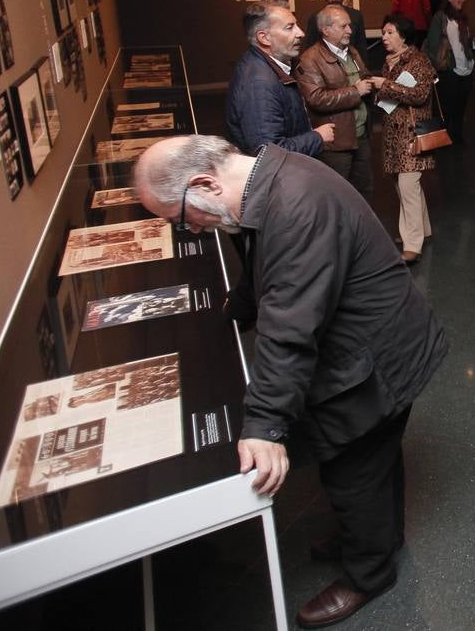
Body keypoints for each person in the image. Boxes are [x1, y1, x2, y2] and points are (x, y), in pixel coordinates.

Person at [132, 135, 448, 629]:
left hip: (378, 355)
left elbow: (290, 328)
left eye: (179, 219)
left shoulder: (294, 205)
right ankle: (374, 537)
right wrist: (237, 307)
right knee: (372, 460)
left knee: (354, 470)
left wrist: (263, 426)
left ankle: (370, 572)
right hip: (374, 342)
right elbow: (266, 272)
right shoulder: (263, 179)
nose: (190, 230)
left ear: (204, 183)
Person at [224, 0, 334, 156]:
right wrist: (317, 137)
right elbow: (267, 152)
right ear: (264, 38)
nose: (300, 33)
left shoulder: (268, 67)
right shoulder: (259, 84)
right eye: (290, 28)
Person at [295, 4, 378, 199]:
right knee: (338, 196)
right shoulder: (310, 59)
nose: (350, 30)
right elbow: (316, 99)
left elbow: (364, 76)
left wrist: (368, 82)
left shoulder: (352, 52)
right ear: (325, 29)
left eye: (350, 25)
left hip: (361, 135)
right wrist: (354, 91)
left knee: (364, 193)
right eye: (344, 26)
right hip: (336, 142)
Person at [376, 15, 439, 264]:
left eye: (389, 32)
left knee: (407, 185)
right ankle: (423, 229)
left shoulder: (418, 60)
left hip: (412, 132)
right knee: (404, 184)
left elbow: (421, 95)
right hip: (394, 131)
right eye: (383, 32)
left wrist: (386, 85)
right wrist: (379, 89)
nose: (384, 37)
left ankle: (413, 244)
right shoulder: (389, 61)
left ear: (403, 36)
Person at [424, 0, 475, 145]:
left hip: (466, 69)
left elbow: (465, 44)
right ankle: (444, 138)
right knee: (446, 107)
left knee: (461, 107)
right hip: (449, 69)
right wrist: (439, 63)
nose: (463, 0)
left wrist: (474, 43)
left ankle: (457, 136)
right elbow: (433, 44)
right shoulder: (440, 18)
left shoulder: (462, 19)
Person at [305, 0, 369, 66]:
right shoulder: (316, 18)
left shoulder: (356, 16)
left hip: (352, 64)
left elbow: (361, 46)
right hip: (326, 66)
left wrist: (364, 70)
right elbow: (309, 46)